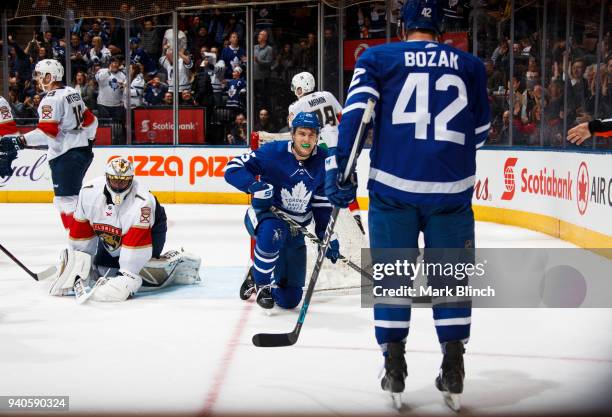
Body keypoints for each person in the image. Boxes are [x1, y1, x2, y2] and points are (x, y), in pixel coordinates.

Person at [324, 0, 490, 410]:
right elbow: (481, 133)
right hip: (451, 192)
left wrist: (341, 171)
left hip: (394, 190)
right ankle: (453, 364)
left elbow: (357, 116)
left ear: (403, 25)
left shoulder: (378, 58)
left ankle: (394, 363)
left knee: (393, 277)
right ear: (443, 27)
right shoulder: (469, 65)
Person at [224, 112, 340, 311]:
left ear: (317, 137)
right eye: (302, 134)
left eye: (311, 135)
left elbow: (322, 205)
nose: (306, 139)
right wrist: (253, 185)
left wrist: (327, 236)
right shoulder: (271, 152)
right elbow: (232, 168)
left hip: (296, 231)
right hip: (265, 216)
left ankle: (256, 273)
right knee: (274, 231)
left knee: (290, 300)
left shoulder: (324, 161)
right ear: (293, 134)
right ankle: (262, 285)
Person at [48, 157, 201, 302]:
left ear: (131, 179)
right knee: (103, 270)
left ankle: (178, 260)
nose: (118, 186)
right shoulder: (88, 192)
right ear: (107, 178)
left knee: (140, 276)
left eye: (123, 182)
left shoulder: (142, 203)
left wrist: (128, 276)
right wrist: (78, 260)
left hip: (151, 228)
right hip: (115, 230)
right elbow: (81, 230)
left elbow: (134, 252)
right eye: (115, 181)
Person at [0, 59, 99, 232]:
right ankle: (79, 241)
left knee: (68, 201)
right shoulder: (71, 92)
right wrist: (87, 143)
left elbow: (47, 134)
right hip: (80, 152)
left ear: (50, 75)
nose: (38, 79)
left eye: (40, 75)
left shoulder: (50, 100)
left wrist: (19, 141)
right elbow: (92, 121)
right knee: (64, 200)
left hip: (66, 155)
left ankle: (81, 244)